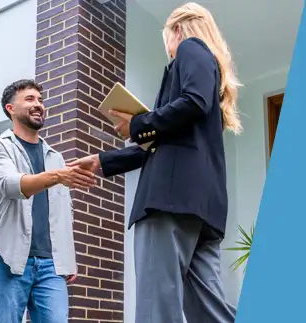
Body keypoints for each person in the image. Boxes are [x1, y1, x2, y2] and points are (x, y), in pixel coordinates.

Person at [68, 3, 240, 323]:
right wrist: (104, 161)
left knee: (156, 310)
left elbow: (190, 103)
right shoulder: (210, 73)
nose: (168, 49)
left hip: (168, 202)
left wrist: (137, 123)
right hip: (201, 208)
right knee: (210, 312)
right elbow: (165, 142)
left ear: (176, 30)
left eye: (166, 39)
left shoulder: (190, 48)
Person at [0, 79, 96, 323]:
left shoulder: (56, 156)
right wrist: (56, 176)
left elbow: (65, 212)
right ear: (10, 109)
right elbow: (11, 185)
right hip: (7, 260)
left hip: (51, 267)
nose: (39, 105)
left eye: (41, 100)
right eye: (30, 99)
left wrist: (68, 259)